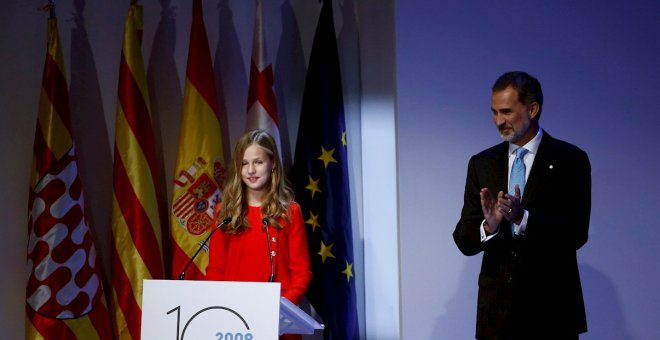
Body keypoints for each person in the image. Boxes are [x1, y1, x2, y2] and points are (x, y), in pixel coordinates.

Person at [453, 71, 591, 339]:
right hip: (496, 317)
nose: (498, 121)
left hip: (551, 314)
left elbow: (575, 233)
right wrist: (489, 226)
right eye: (494, 112)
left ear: (533, 108)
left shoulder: (570, 160)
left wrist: (523, 218)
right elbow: (463, 239)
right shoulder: (481, 163)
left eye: (505, 111)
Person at [206, 129, 312, 308]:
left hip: (278, 313)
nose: (251, 170)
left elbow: (301, 272)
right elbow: (216, 269)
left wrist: (283, 307)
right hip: (233, 311)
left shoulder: (289, 212)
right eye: (244, 163)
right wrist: (219, 305)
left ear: (273, 164)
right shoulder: (225, 212)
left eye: (258, 162)